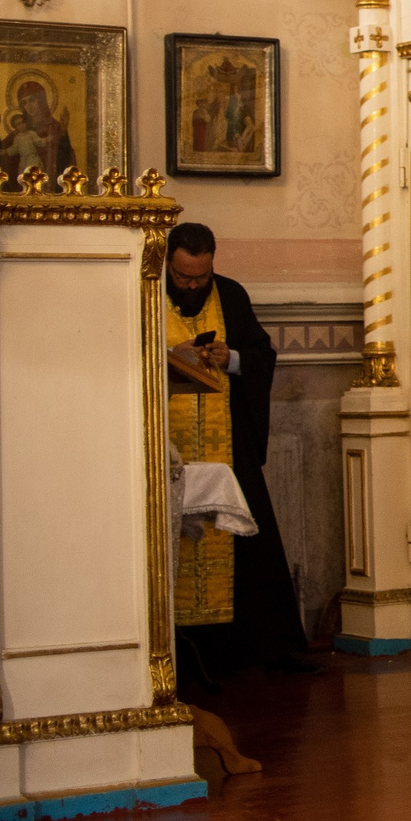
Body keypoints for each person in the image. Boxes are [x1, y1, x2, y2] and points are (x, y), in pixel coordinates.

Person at [165, 222, 318, 678]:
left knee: (246, 540)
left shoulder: (230, 295)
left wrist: (229, 359)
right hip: (166, 444)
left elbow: (260, 356)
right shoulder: (143, 292)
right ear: (168, 264)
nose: (192, 286)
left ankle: (263, 647)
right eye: (183, 277)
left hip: (226, 442)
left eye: (200, 277)